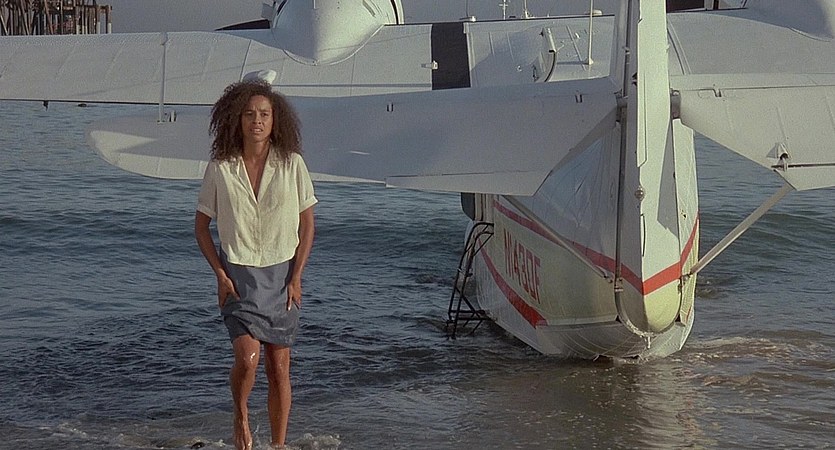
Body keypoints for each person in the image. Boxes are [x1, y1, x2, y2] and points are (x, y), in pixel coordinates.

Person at [194, 79, 317, 450]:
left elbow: (307, 224)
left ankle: (278, 445)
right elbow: (201, 227)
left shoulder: (292, 164)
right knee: (248, 359)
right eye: (249, 114)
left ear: (275, 120)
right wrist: (220, 274)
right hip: (239, 277)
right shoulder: (221, 167)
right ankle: (241, 414)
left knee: (279, 368)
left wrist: (297, 276)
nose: (257, 121)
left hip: (282, 277)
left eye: (264, 114)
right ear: (237, 119)